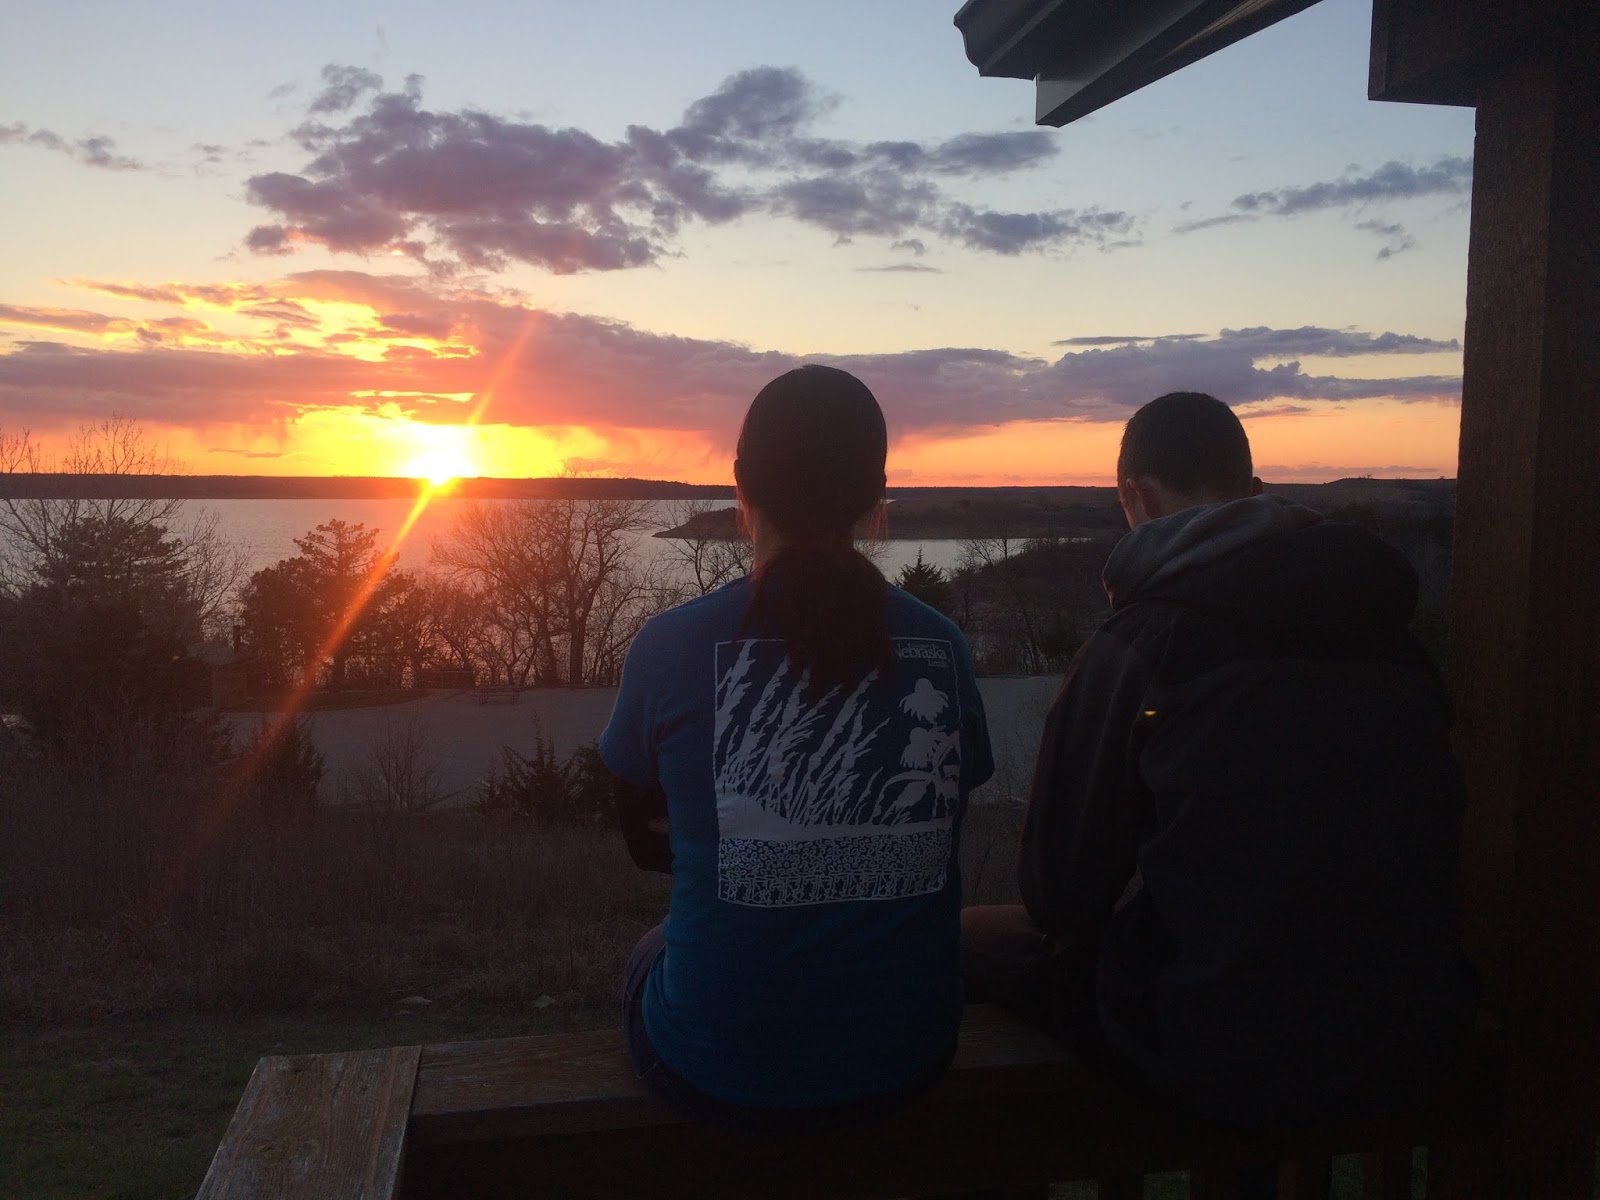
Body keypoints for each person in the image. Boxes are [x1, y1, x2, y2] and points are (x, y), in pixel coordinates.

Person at [963, 391, 1477, 1129]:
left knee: (969, 937)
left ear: (1133, 497)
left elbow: (1059, 894)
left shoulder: (1146, 641)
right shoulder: (1385, 632)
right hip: (1415, 1023)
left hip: (1219, 1040)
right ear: (1255, 491)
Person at [601, 364, 994, 1131]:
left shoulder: (671, 647)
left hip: (713, 1071)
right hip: (906, 1059)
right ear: (875, 494)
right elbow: (949, 809)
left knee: (653, 947)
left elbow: (644, 843)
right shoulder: (941, 646)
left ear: (741, 484)